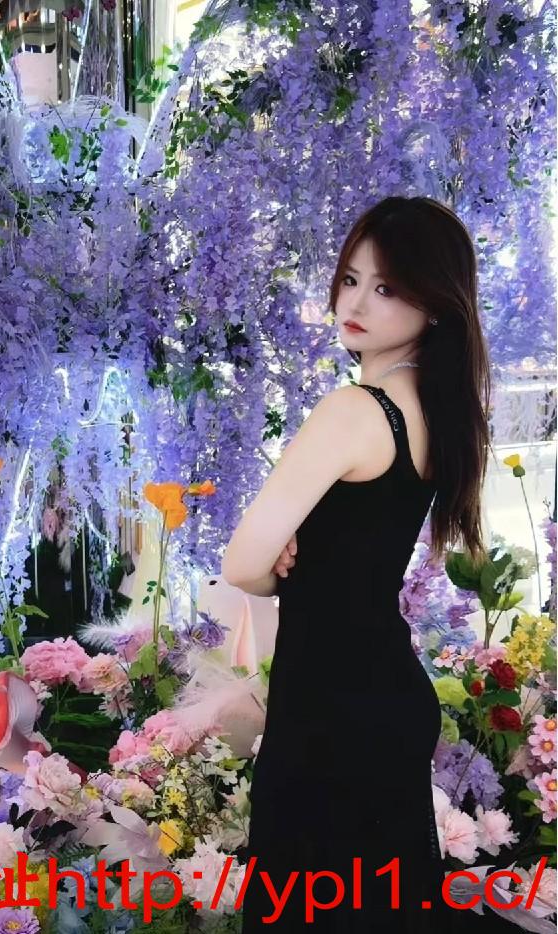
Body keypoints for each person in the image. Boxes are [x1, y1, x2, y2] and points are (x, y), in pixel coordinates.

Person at [221, 196, 493, 931]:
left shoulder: (354, 409)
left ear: (434, 303)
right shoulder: (437, 414)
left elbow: (241, 565)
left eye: (387, 287)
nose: (356, 303)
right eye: (350, 279)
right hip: (382, 696)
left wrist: (281, 563)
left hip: (330, 707)